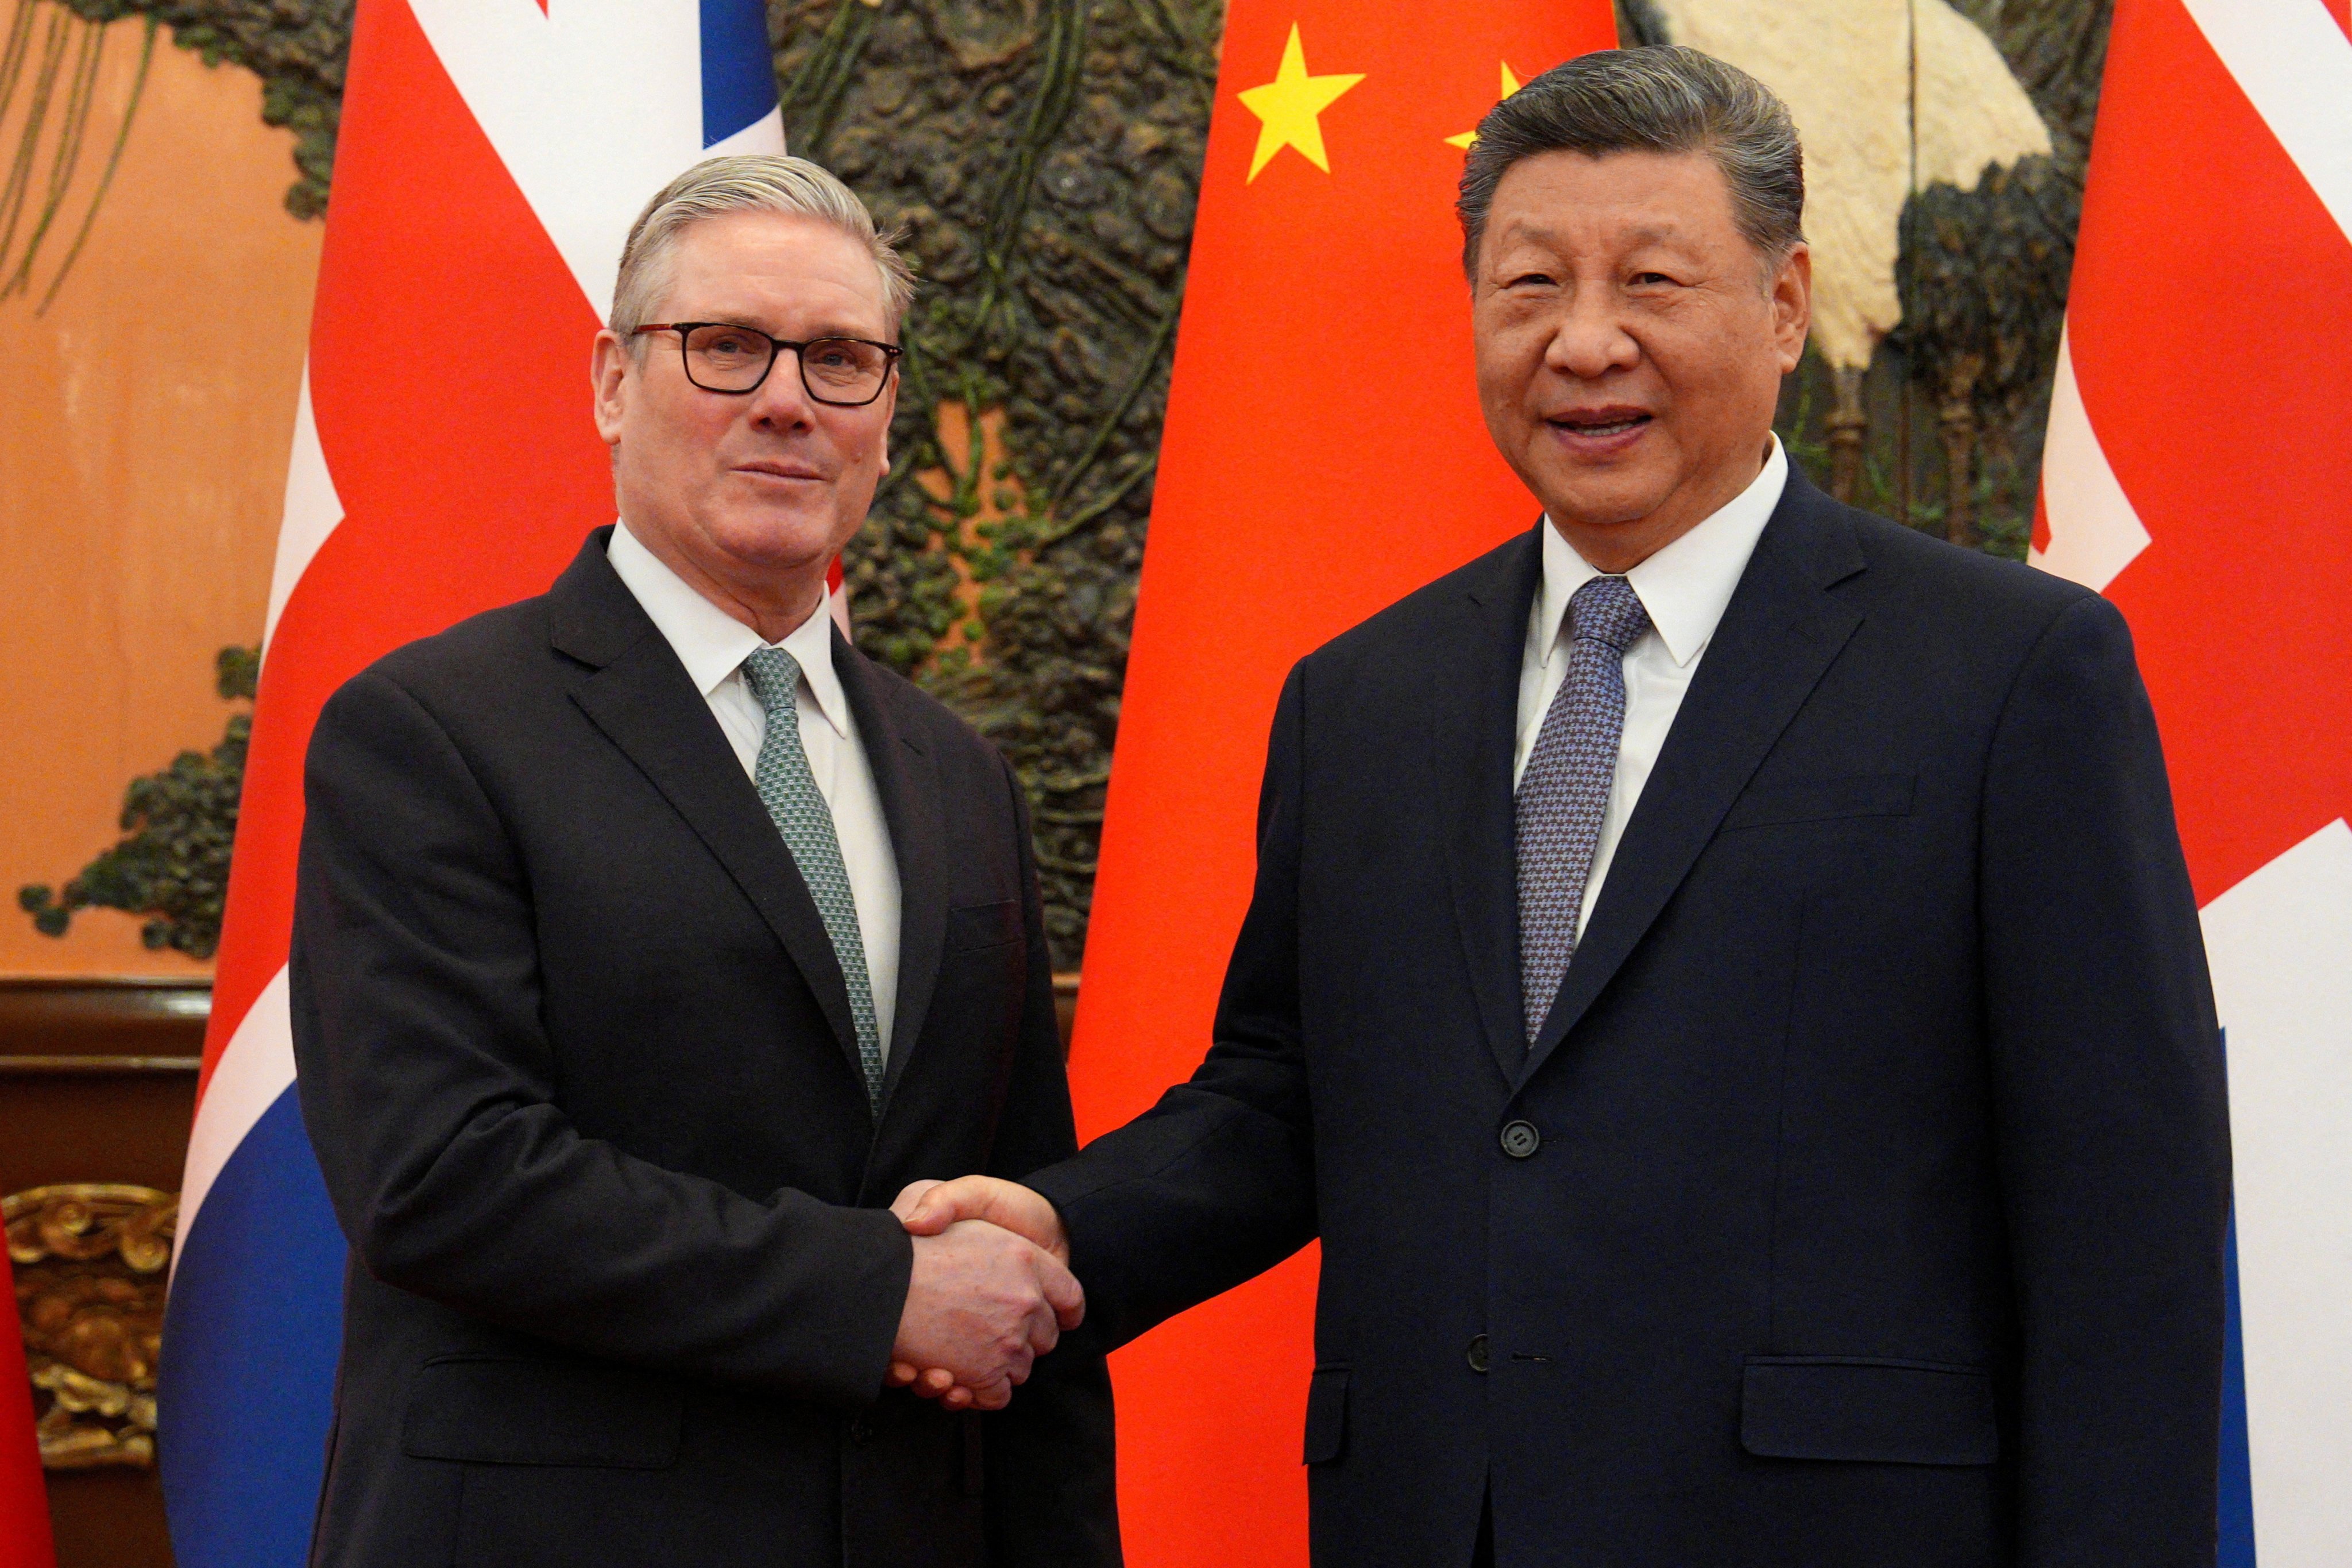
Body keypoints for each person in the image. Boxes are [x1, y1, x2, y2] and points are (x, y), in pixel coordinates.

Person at [893, 46, 2231, 1568]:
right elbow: (1287, 1096)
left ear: (1786, 306)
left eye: (1653, 282)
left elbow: (2123, 1221)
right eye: (1530, 287)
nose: (1585, 344)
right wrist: (1067, 1232)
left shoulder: (2008, 674)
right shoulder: (1364, 698)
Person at [289, 155, 1119, 1568]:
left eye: (842, 359)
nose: (787, 398)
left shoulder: (956, 775)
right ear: (613, 381)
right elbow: (442, 1176)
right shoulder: (428, 731)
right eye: (727, 346)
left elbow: (1015, 1227)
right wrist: (875, 1295)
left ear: (884, 413)